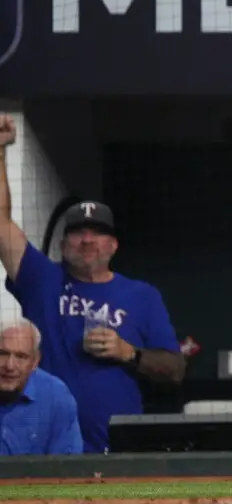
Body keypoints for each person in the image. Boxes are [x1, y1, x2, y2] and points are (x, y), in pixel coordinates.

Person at [0, 116, 185, 454]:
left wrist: (128, 352)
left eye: (97, 232)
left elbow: (175, 370)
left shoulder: (142, 295)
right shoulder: (42, 279)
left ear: (113, 245)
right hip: (46, 447)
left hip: (118, 449)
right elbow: (1, 222)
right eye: (77, 232)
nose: (87, 240)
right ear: (62, 243)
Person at [0, 319, 82, 455]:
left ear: (35, 361)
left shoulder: (56, 397)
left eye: (21, 356)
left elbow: (66, 469)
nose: (10, 366)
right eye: (2, 354)